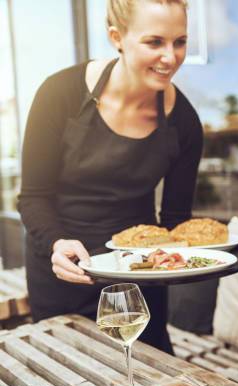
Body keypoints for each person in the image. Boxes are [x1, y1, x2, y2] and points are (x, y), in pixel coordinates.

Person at [17, 0, 202, 354]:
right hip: (64, 271)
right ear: (117, 37)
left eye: (179, 41)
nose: (170, 56)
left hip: (137, 279)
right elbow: (33, 197)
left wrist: (193, 256)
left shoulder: (185, 122)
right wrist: (56, 242)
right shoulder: (60, 95)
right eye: (154, 42)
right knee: (66, 379)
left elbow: (176, 222)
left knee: (146, 377)